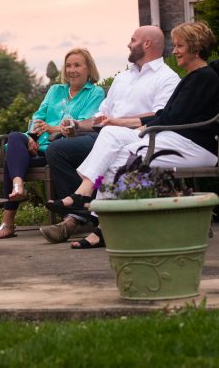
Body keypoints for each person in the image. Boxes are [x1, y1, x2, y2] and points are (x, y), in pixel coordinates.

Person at [52, 21, 219, 249]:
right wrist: (135, 125)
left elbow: (173, 117)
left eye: (180, 46)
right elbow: (169, 116)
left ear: (195, 48)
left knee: (123, 157)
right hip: (172, 138)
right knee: (113, 139)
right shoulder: (192, 77)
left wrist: (142, 127)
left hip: (194, 146)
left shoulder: (204, 78)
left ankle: (97, 218)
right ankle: (92, 205)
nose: (175, 51)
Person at [39, 25, 181, 244]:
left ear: (147, 44)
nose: (128, 44)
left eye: (132, 40)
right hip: (105, 136)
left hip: (139, 137)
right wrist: (76, 125)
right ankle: (82, 212)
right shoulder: (123, 78)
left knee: (97, 143)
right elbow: (100, 117)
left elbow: (161, 116)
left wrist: (119, 122)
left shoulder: (167, 78)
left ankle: (78, 211)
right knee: (58, 149)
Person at [0, 48, 105, 239]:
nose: (72, 70)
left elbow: (82, 125)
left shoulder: (95, 93)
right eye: (68, 66)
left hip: (66, 147)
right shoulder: (55, 91)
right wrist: (31, 137)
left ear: (89, 69)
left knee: (13, 159)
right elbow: (39, 116)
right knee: (15, 138)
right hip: (39, 147)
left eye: (77, 65)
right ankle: (18, 186)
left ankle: (8, 220)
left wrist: (52, 129)